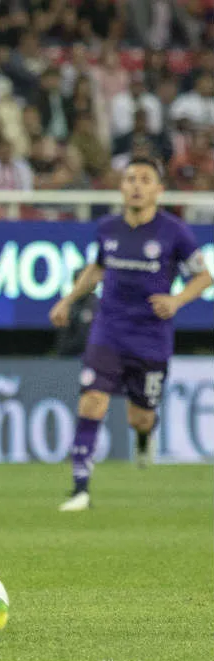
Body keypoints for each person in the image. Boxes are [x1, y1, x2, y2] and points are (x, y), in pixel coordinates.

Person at [50, 157, 212, 510]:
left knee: (141, 417)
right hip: (108, 331)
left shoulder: (174, 231)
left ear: (159, 190)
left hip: (151, 338)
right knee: (92, 400)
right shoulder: (108, 228)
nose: (136, 185)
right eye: (130, 179)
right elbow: (97, 269)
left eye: (145, 179)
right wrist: (67, 300)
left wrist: (177, 300)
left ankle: (143, 436)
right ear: (121, 187)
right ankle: (80, 489)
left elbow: (204, 277)